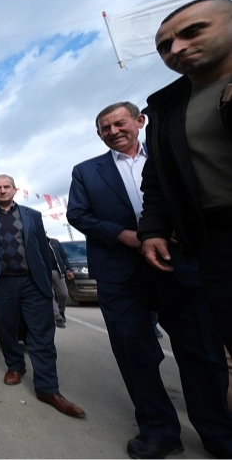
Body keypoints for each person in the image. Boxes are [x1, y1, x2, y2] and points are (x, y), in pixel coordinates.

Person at [67, 102, 232, 459]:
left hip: (179, 264)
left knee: (201, 350)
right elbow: (77, 214)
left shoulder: (169, 156)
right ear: (99, 135)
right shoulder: (86, 172)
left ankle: (218, 431)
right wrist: (123, 236)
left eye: (119, 123)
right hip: (119, 272)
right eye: (104, 128)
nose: (113, 131)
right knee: (135, 351)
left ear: (139, 121)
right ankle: (158, 430)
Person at [138, 0, 232, 360]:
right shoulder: (165, 110)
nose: (176, 48)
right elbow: (158, 180)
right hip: (215, 241)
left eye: (194, 32)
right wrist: (153, 230)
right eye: (164, 46)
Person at [0, 174, 85, 419]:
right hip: (0, 283)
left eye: (6, 187)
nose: (2, 191)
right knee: (6, 328)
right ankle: (15, 366)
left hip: (32, 282)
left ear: (15, 189)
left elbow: (42, 249)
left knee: (42, 333)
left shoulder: (33, 215)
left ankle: (48, 388)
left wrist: (48, 278)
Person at [47, 237, 74, 328]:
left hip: (58, 271)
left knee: (64, 294)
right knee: (51, 295)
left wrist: (69, 269)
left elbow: (63, 257)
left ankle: (61, 311)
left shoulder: (55, 242)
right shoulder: (37, 241)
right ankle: (57, 317)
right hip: (44, 273)